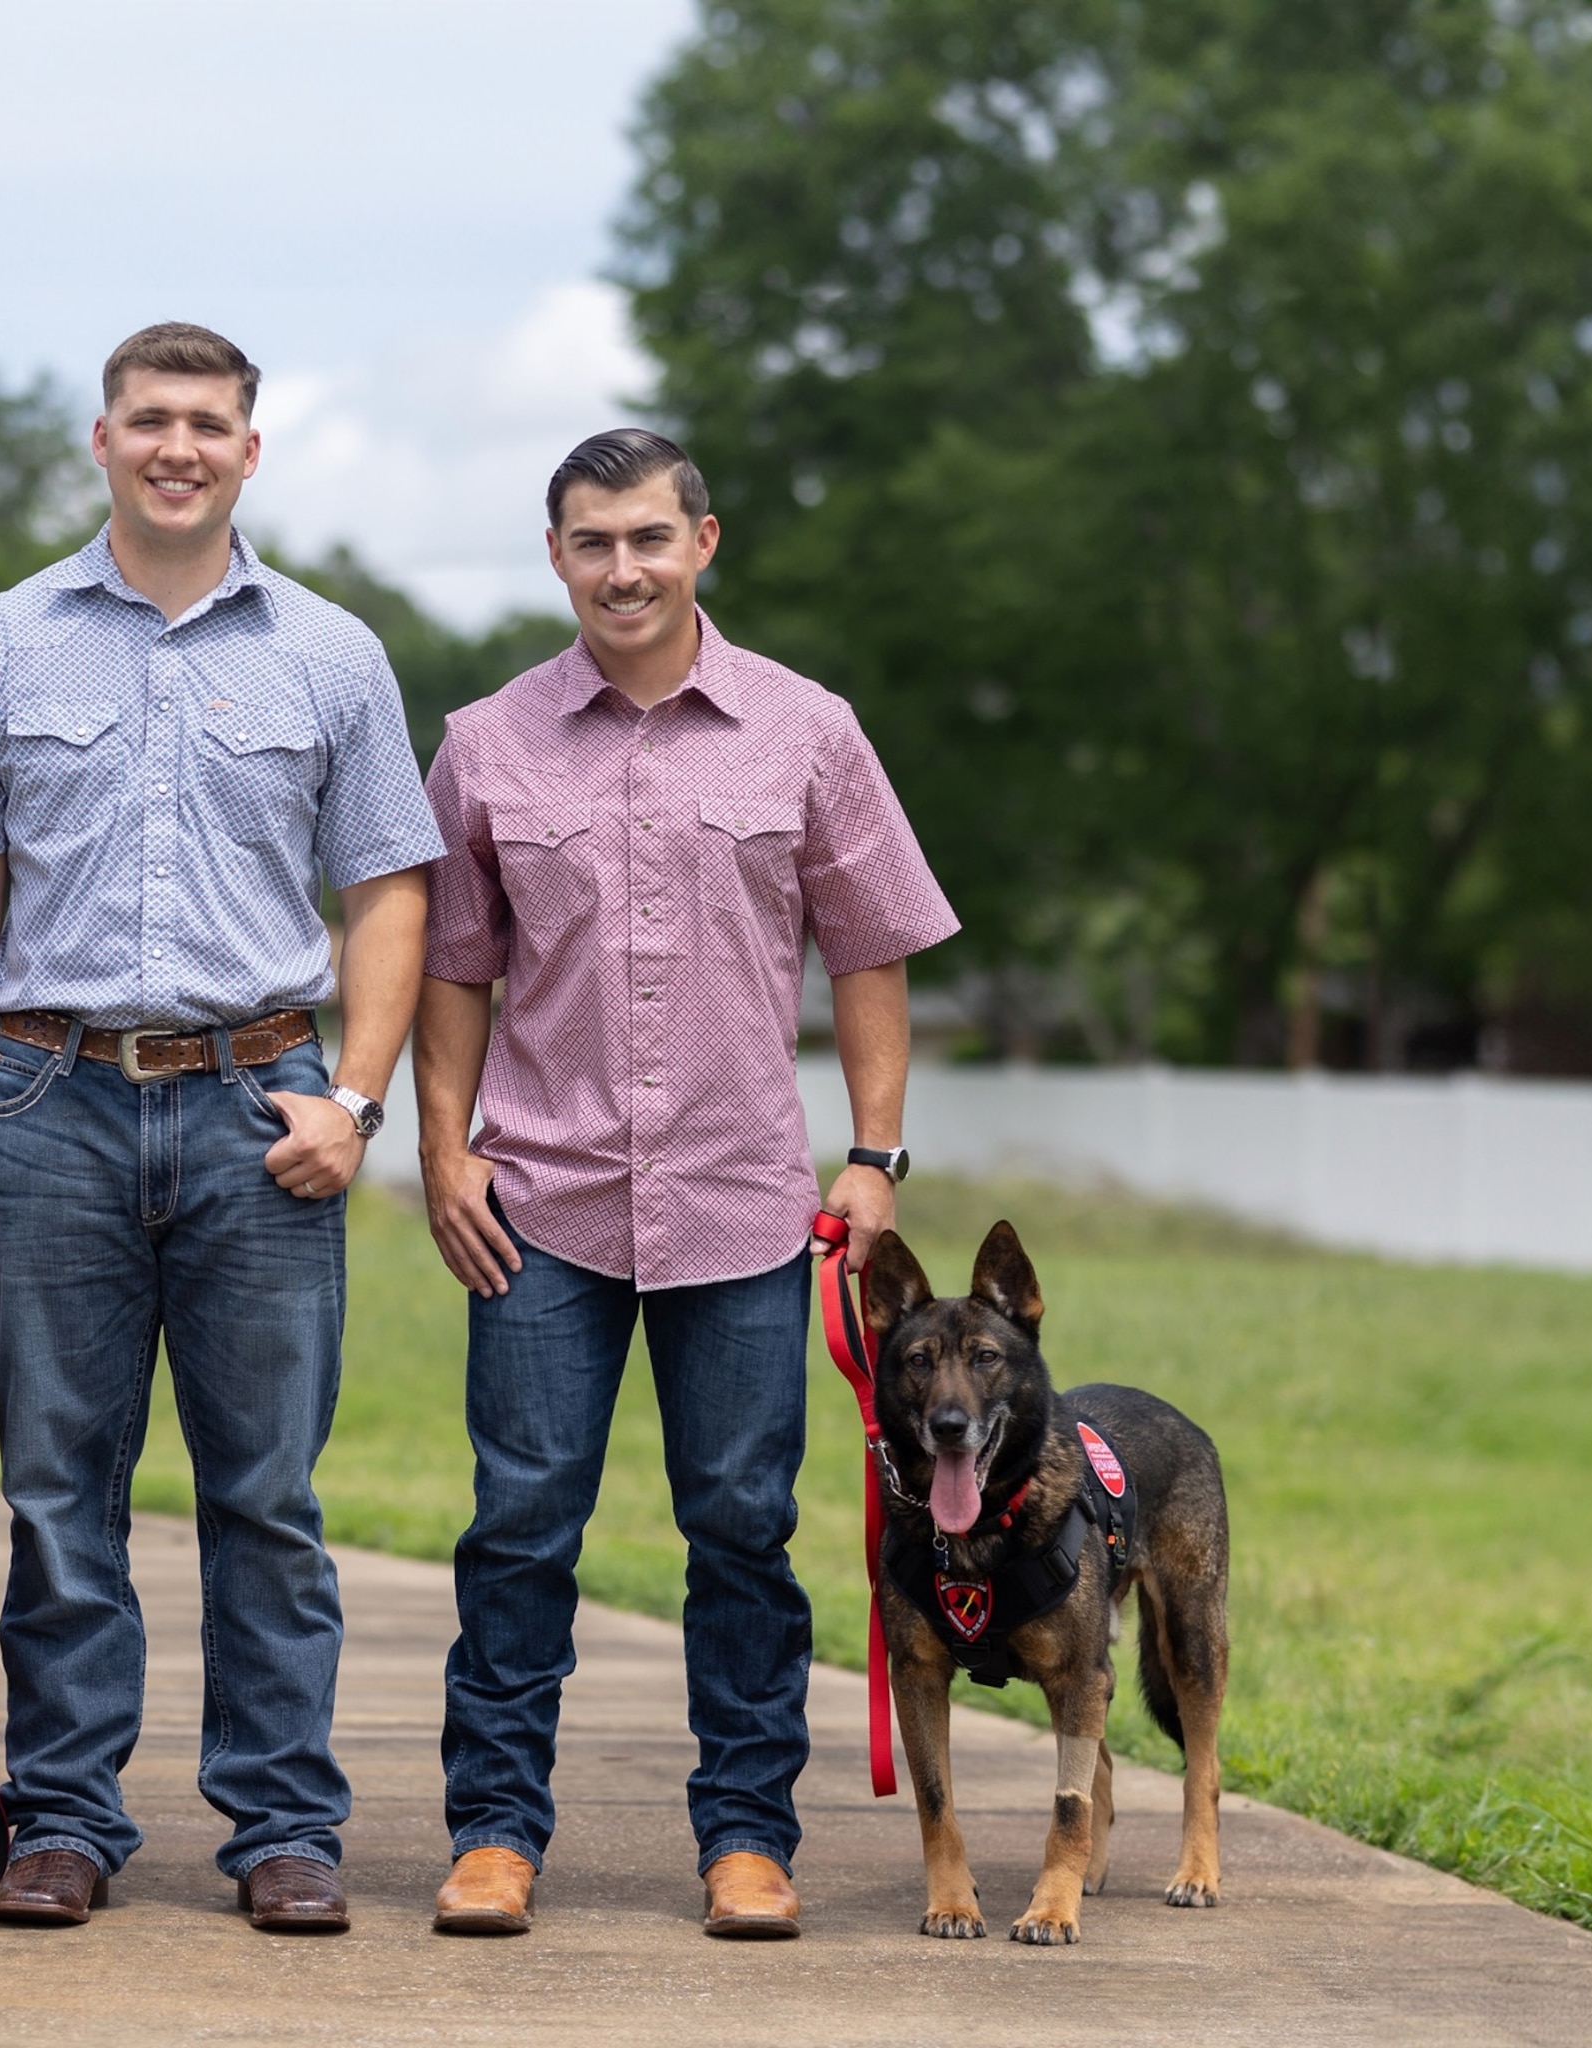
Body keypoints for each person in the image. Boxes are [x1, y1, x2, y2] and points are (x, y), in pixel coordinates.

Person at [0, 321, 441, 1935]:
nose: (178, 446)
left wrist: (358, 1101)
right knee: (61, 1491)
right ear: (104, 441)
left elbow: (391, 893)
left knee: (266, 1496)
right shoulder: (1, 644)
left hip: (258, 1107)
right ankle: (65, 1819)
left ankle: (284, 1828)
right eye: (151, 420)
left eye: (209, 422)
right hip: (47, 1105)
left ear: (250, 451)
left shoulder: (330, 653)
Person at [414, 428, 958, 1940]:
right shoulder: (488, 741)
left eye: (649, 537)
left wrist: (874, 1154)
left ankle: (746, 1840)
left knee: (741, 1525)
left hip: (737, 1200)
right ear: (556, 558)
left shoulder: (807, 731)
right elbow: (456, 968)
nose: (623, 568)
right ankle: (495, 1834)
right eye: (592, 542)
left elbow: (871, 949)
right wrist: (442, 1144)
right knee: (520, 1523)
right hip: (543, 1200)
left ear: (703, 543)